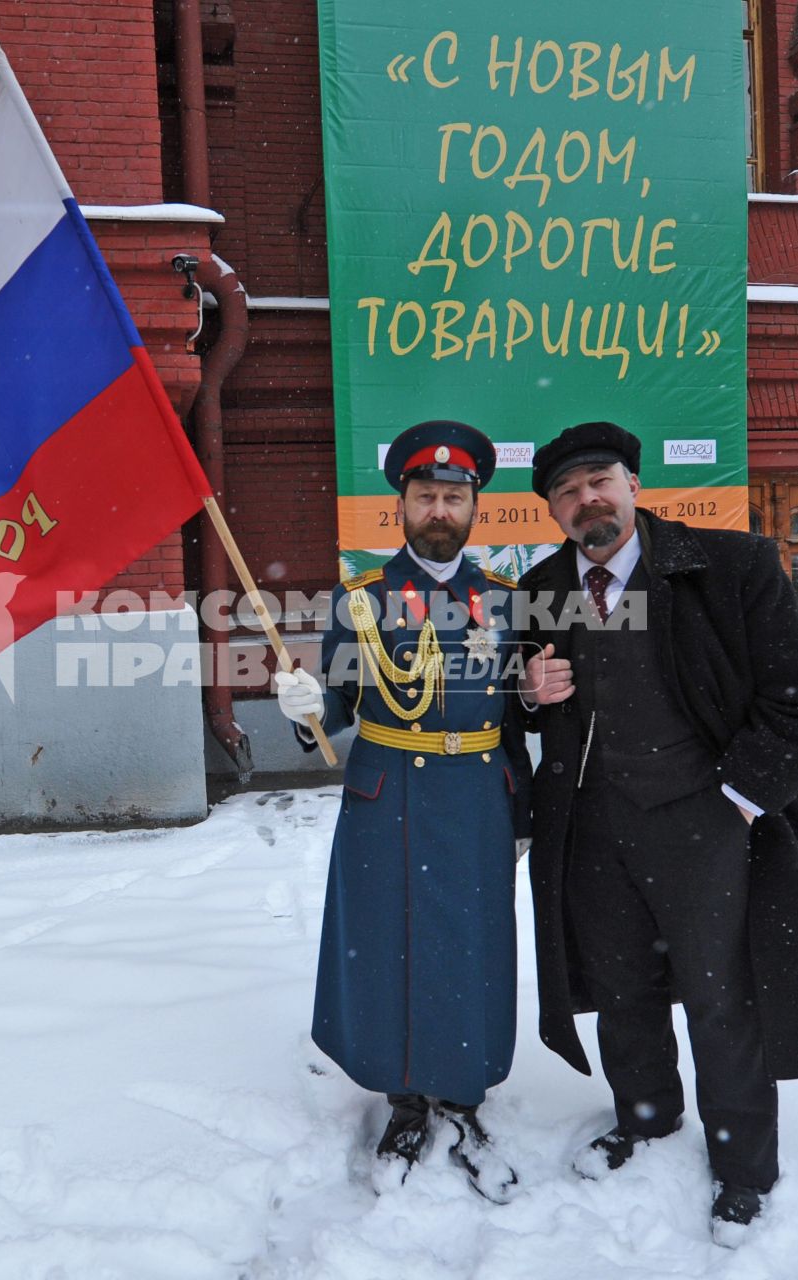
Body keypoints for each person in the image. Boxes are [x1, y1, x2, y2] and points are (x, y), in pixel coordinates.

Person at [516, 421, 798, 1245]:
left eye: (599, 481)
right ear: (552, 512)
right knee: (621, 991)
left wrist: (738, 800)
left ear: (633, 485)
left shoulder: (728, 566)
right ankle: (645, 1120)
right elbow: (516, 706)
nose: (586, 501)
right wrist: (528, 691)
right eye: (566, 493)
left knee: (723, 998)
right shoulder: (538, 587)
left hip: (708, 823)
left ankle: (743, 1167)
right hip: (593, 826)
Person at [276, 419, 532, 1200]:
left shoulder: (508, 602)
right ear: (402, 506)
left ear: (474, 505)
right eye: (426, 494)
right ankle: (402, 1098)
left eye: (454, 496)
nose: (440, 508)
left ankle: (462, 1092)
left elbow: (522, 715)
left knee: (471, 944)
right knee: (387, 945)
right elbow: (338, 705)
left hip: (477, 796)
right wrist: (303, 704)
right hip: (384, 794)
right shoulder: (362, 601)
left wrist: (524, 806)